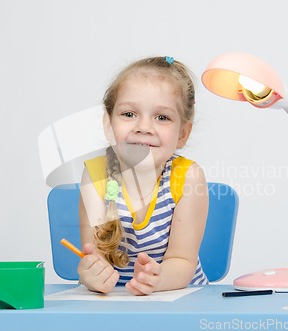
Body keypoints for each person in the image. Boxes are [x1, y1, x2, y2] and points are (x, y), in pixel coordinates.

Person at [78, 56, 209, 296]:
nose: (144, 127)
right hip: (115, 303)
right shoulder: (95, 175)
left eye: (162, 117)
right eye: (129, 114)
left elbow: (182, 260)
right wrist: (91, 276)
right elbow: (95, 257)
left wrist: (157, 280)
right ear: (108, 124)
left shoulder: (188, 177)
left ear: (183, 133)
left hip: (176, 298)